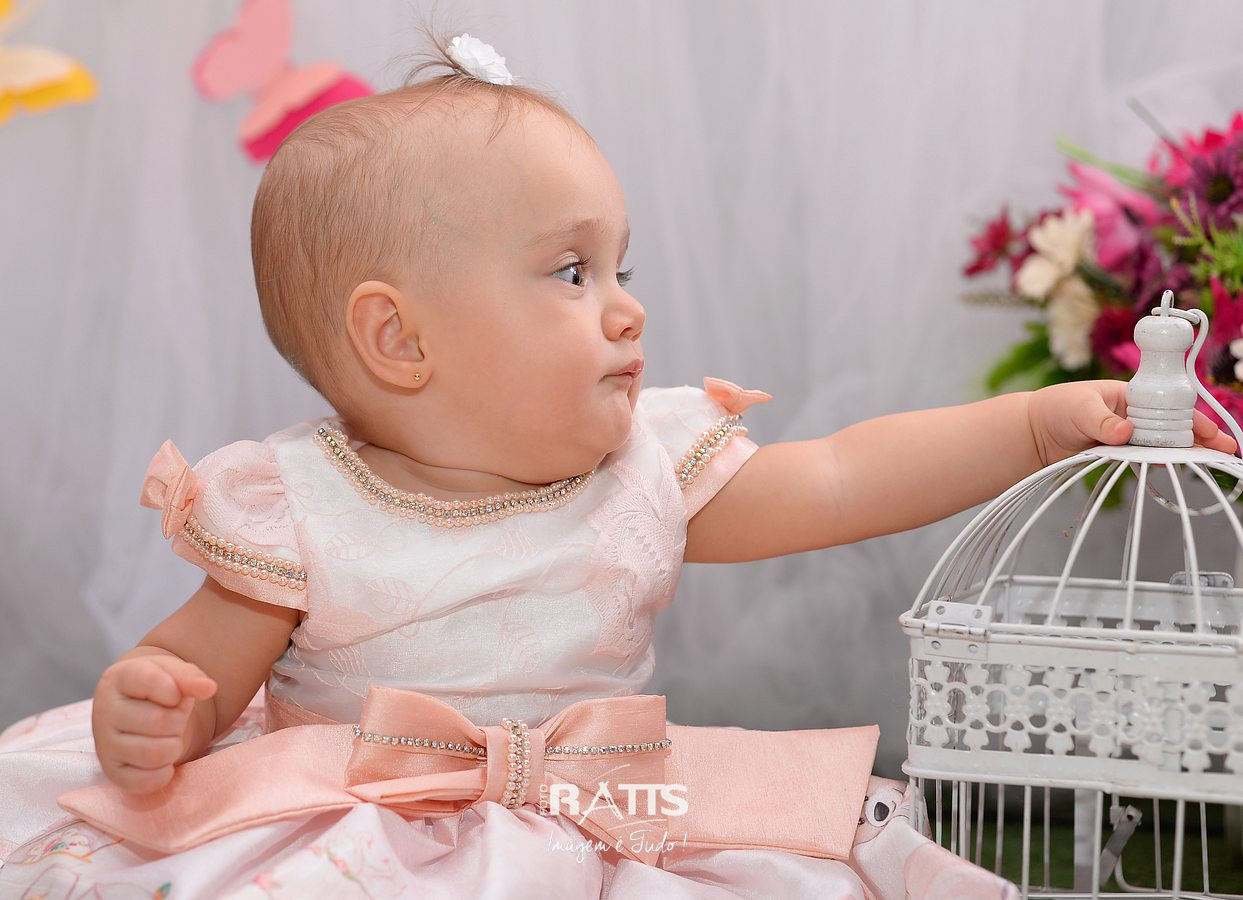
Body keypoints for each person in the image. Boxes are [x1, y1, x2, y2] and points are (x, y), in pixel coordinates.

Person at [0, 31, 1234, 899]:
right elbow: (194, 673)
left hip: (612, 824)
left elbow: (843, 477)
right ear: (399, 340)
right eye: (570, 272)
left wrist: (1032, 428)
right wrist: (155, 704)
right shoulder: (297, 509)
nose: (628, 308)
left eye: (619, 268)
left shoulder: (642, 471)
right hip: (357, 836)